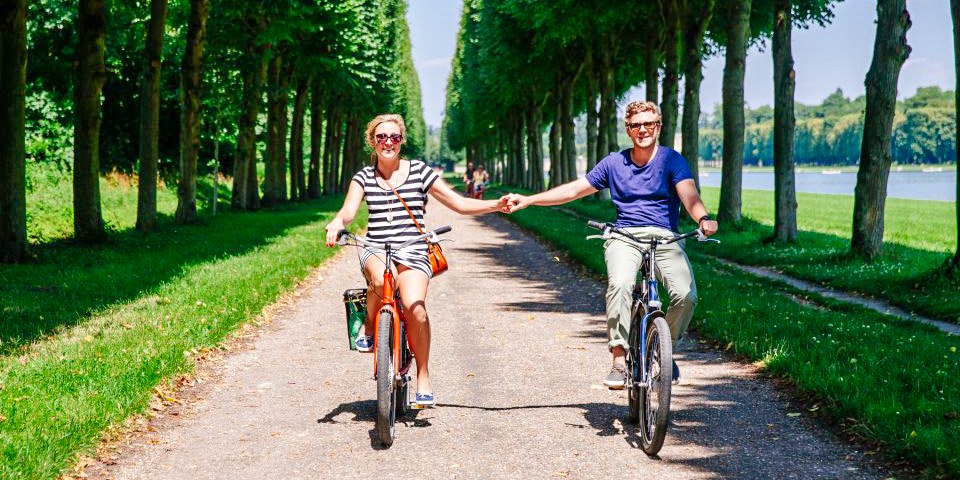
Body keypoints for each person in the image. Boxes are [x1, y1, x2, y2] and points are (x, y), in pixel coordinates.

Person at [503, 101, 719, 389]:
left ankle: (663, 351)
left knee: (685, 294)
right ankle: (619, 357)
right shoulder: (615, 163)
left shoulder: (672, 160)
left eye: (649, 123)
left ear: (659, 126)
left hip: (664, 235)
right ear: (628, 129)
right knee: (620, 284)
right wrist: (529, 200)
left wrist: (703, 218)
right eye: (636, 125)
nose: (643, 129)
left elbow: (689, 197)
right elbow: (573, 190)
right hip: (625, 235)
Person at [325, 114, 509, 405]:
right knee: (380, 278)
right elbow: (348, 211)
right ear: (372, 141)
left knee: (416, 308)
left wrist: (495, 205)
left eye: (394, 137)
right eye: (382, 137)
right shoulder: (362, 177)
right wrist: (337, 223)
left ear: (402, 141)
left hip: (413, 247)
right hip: (376, 246)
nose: (388, 142)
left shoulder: (420, 172)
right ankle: (371, 326)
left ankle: (423, 374)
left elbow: (458, 203)